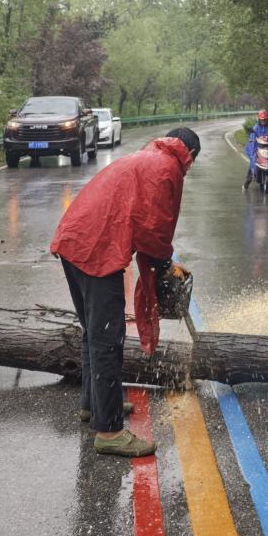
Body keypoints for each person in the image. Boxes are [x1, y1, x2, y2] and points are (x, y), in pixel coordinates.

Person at [49, 127, 201, 458]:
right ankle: (110, 432)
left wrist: (164, 262)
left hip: (74, 239)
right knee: (108, 338)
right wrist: (165, 267)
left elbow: (144, 221)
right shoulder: (168, 169)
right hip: (96, 248)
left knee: (94, 331)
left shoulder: (147, 156)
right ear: (189, 156)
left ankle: (96, 405)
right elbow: (155, 228)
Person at [243, 109, 268, 189]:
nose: (263, 121)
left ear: (267, 119)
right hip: (259, 149)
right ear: (259, 119)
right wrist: (252, 139)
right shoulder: (256, 128)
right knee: (253, 161)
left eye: (265, 119)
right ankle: (247, 182)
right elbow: (252, 135)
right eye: (262, 119)